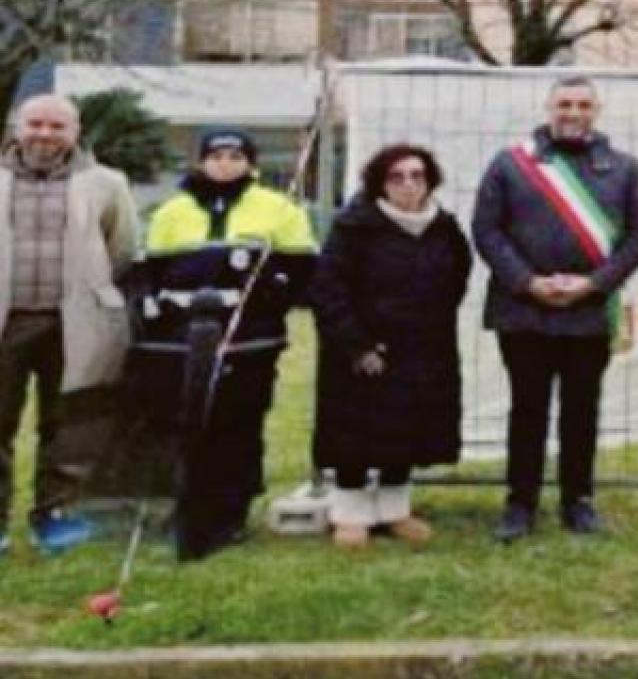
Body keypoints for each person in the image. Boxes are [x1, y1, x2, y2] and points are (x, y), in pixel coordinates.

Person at [473, 76, 638, 542]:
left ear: (598, 109)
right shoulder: (511, 165)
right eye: (564, 104)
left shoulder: (625, 169)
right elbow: (487, 231)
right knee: (527, 409)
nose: (573, 113)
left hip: (588, 312)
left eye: (583, 105)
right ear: (548, 107)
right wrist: (527, 282)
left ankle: (579, 502)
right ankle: (520, 504)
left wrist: (594, 285)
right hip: (523, 310)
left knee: (581, 410)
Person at [138, 128, 316, 561]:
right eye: (215, 155)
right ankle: (184, 505)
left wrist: (269, 299)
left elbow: (303, 274)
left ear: (250, 163)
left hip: (249, 338)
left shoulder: (278, 209)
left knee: (237, 424)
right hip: (183, 337)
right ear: (200, 161)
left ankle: (231, 511)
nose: (224, 162)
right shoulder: (172, 212)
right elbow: (153, 275)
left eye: (235, 155)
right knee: (180, 423)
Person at [310, 144, 472, 550]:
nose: (408, 185)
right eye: (397, 177)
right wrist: (358, 345)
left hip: (423, 348)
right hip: (361, 348)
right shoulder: (355, 227)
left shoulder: (445, 228)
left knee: (408, 427)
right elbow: (327, 289)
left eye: (417, 176)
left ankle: (394, 509)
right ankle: (350, 513)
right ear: (380, 183)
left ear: (429, 180)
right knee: (356, 429)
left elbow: (458, 279)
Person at [0, 94, 138, 558]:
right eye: (35, 123)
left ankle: (56, 515)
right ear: (18, 128)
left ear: (75, 133)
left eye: (56, 126)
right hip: (7, 323)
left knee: (69, 425)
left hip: (74, 323)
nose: (44, 133)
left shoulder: (106, 183)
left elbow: (121, 249)